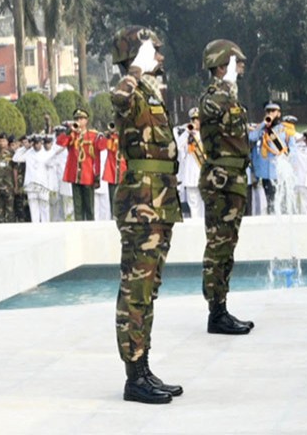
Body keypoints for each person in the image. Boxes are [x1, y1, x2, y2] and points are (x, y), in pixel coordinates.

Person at [110, 25, 184, 404]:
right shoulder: (130, 90)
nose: (159, 57)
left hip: (160, 199)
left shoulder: (151, 93)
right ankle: (133, 376)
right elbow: (117, 98)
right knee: (136, 291)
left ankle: (143, 368)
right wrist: (135, 70)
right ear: (135, 55)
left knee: (149, 289)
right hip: (141, 204)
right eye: (152, 50)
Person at [198, 39, 255, 335]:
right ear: (222, 66)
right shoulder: (213, 96)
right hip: (220, 182)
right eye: (236, 62)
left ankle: (221, 307)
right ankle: (216, 312)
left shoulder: (228, 96)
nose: (241, 67)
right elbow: (212, 108)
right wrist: (228, 82)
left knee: (227, 247)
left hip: (233, 181)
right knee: (218, 248)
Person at [56, 108, 104, 221]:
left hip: (88, 176)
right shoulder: (71, 135)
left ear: (86, 121)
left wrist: (97, 174)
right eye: (76, 119)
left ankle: (91, 230)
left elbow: (101, 149)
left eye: (81, 118)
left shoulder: (93, 135)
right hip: (75, 176)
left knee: (89, 208)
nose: (78, 121)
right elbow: (60, 142)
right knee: (77, 208)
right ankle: (79, 230)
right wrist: (69, 131)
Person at [176, 108, 205, 218]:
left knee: (203, 204)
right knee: (193, 205)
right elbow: (178, 145)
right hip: (190, 176)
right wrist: (187, 131)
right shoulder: (187, 135)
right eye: (193, 120)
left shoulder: (204, 134)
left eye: (197, 119)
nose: (195, 122)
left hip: (202, 174)